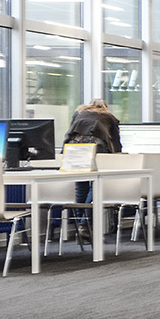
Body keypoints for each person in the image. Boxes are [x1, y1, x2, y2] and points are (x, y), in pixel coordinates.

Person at [63, 100, 122, 241]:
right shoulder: (109, 117)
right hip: (97, 148)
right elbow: (115, 140)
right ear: (105, 107)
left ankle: (81, 226)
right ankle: (85, 224)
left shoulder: (79, 113)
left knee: (80, 185)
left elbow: (69, 133)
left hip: (75, 147)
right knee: (96, 185)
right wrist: (118, 156)